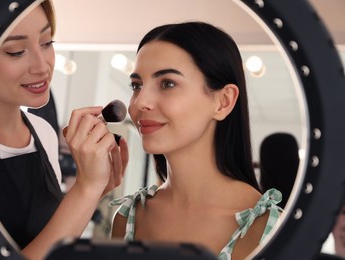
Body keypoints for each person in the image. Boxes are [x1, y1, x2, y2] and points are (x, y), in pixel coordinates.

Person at [0, 1, 128, 259]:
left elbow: (47, 232)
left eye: (46, 42)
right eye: (16, 51)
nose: (42, 66)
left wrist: (94, 189)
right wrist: (85, 189)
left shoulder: (42, 130)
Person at [110, 21, 282, 259]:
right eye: (136, 85)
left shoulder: (270, 228)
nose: (139, 103)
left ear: (223, 102)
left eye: (167, 83)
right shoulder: (128, 217)